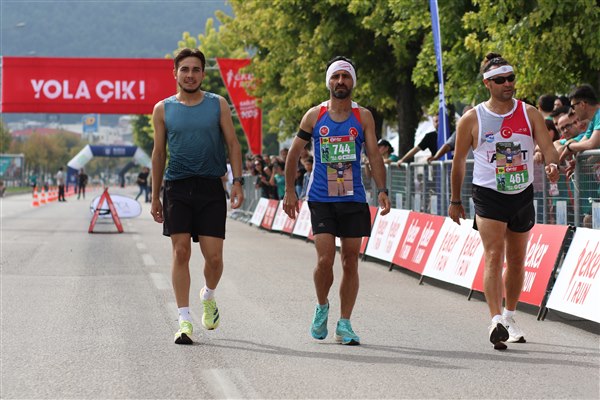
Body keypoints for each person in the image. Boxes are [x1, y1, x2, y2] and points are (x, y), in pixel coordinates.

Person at [449, 53, 559, 351]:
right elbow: (458, 163)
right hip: (489, 194)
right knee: (494, 255)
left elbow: (548, 147)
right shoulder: (472, 118)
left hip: (521, 193)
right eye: (500, 80)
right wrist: (455, 199)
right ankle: (495, 320)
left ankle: (510, 316)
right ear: (487, 84)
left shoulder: (529, 113)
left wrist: (552, 164)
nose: (508, 84)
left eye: (511, 78)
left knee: (518, 260)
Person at [283, 56, 391, 346]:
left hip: (353, 197)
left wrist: (382, 189)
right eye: (335, 77)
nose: (340, 81)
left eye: (345, 76)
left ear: (352, 81)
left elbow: (374, 155)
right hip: (321, 198)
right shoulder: (314, 115)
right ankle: (322, 306)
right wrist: (290, 190)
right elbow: (293, 154)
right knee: (325, 259)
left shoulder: (363, 116)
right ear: (328, 82)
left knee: (350, 260)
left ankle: (344, 323)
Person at [150, 48, 244, 345]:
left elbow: (233, 144)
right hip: (177, 187)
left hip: (210, 187)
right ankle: (183, 319)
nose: (190, 75)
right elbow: (158, 153)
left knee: (214, 258)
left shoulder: (218, 104)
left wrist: (238, 181)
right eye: (184, 69)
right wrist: (154, 196)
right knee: (180, 252)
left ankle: (208, 295)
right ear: (175, 73)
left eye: (195, 70)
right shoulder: (162, 109)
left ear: (203, 73)